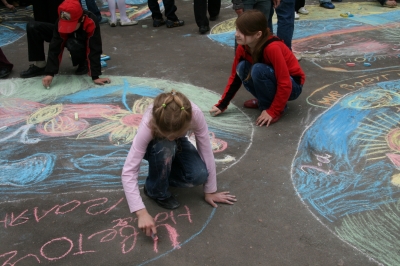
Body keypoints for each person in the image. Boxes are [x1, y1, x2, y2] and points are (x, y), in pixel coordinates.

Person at [121, 90, 236, 236]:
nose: (170, 138)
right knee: (166, 146)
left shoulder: (194, 115)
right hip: (155, 147)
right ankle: (155, 190)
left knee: (198, 176)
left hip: (179, 143)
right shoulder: (150, 122)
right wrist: (140, 212)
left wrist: (210, 191)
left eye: (174, 135)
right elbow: (129, 170)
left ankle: (162, 174)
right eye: (167, 134)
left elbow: (206, 150)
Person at [210, 10, 305, 127]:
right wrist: (222, 104)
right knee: (242, 67)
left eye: (243, 32)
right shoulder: (243, 47)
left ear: (258, 34)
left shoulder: (272, 48)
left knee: (258, 70)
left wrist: (273, 111)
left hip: (293, 85)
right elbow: (235, 78)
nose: (236, 34)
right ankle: (264, 101)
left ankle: (272, 107)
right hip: (275, 79)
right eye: (237, 29)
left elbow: (285, 83)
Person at [20, 0, 110, 86]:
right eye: (65, 24)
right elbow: (56, 46)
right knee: (32, 26)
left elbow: (94, 48)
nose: (67, 29)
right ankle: (40, 66)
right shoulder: (62, 19)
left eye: (70, 25)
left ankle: (83, 63)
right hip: (70, 38)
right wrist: (50, 73)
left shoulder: (90, 22)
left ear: (82, 18)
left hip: (80, 43)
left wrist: (95, 76)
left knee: (72, 42)